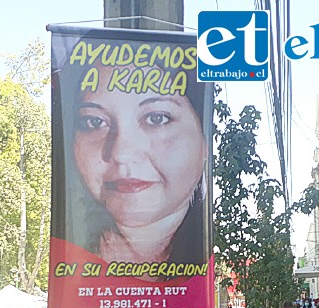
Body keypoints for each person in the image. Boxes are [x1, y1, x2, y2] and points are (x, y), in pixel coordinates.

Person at [57, 42, 210, 269]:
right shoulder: (70, 260)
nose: (122, 153)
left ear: (204, 142)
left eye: (157, 118)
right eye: (94, 122)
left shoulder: (202, 268)